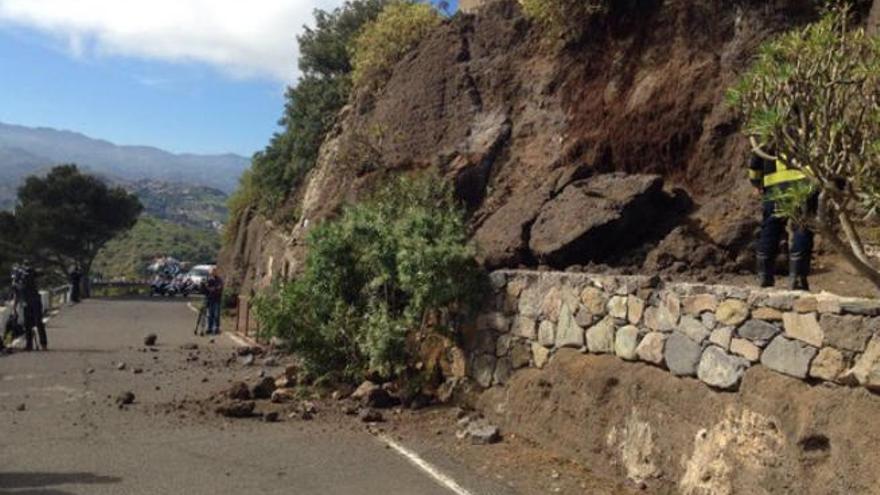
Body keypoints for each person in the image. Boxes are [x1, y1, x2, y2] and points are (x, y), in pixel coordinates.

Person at [749, 150, 815, 291]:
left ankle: (763, 276)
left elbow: (756, 157)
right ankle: (797, 279)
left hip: (774, 187)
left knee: (770, 227)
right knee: (802, 227)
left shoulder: (772, 135)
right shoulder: (811, 129)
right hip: (804, 184)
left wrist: (756, 181)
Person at [11, 262, 48, 350]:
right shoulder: (16, 283)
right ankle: (29, 344)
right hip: (26, 302)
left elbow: (39, 273)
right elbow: (16, 295)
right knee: (27, 324)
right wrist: (14, 307)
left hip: (34, 300)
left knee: (38, 322)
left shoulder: (28, 274)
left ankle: (43, 344)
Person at [203, 268, 224, 335]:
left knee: (216, 314)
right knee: (210, 314)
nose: (213, 273)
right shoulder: (208, 279)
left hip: (216, 299)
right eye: (212, 272)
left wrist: (213, 289)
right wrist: (207, 287)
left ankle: (216, 328)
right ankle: (209, 328)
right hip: (209, 299)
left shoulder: (219, 280)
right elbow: (205, 288)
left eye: (214, 271)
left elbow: (219, 288)